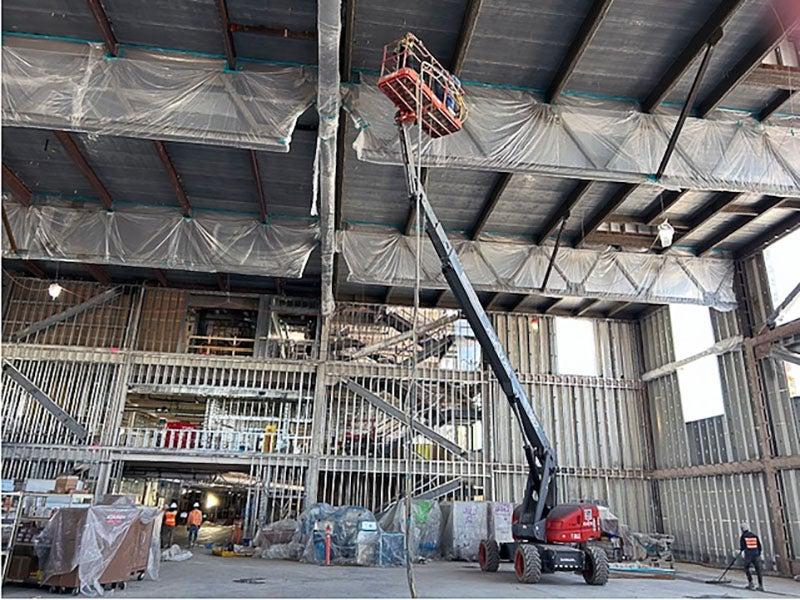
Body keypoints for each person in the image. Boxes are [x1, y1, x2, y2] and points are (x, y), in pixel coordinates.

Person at [739, 523, 764, 591]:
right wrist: (758, 553)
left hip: (749, 555)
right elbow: (759, 546)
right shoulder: (754, 536)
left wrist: (741, 551)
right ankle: (760, 585)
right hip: (756, 554)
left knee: (746, 568)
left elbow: (742, 547)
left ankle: (751, 583)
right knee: (758, 570)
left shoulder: (743, 536)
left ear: (742, 529)